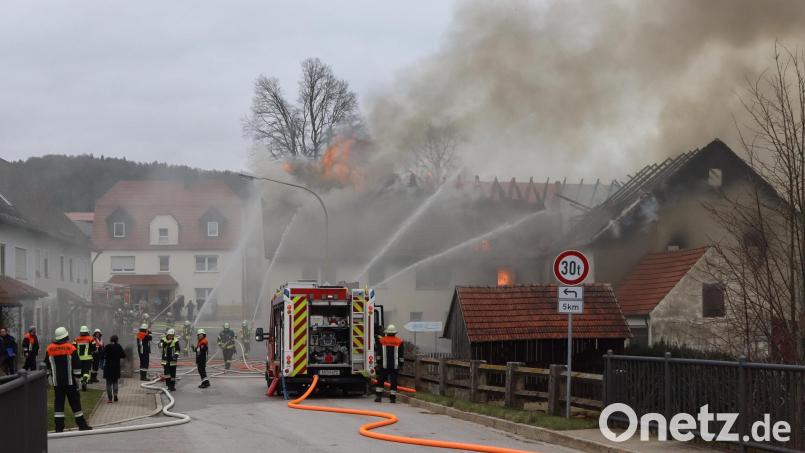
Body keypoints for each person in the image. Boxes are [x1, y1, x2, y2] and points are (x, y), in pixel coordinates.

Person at [45, 327, 92, 432]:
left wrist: (47, 378)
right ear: (66, 336)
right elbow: (77, 365)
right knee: (75, 403)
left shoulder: (49, 349)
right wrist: (78, 379)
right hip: (70, 382)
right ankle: (82, 425)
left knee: (59, 405)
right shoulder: (70, 348)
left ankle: (59, 427)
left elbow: (46, 365)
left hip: (57, 383)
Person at [375, 324, 405, 403]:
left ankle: (378, 396)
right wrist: (401, 364)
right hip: (394, 366)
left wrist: (378, 363)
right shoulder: (399, 341)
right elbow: (401, 355)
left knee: (381, 380)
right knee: (393, 381)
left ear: (387, 332)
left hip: (384, 365)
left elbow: (379, 354)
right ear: (395, 333)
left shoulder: (381, 341)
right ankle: (392, 398)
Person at [101, 335, 125, 403]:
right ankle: (115, 395)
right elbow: (123, 355)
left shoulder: (107, 346)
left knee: (108, 383)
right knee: (115, 381)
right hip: (116, 367)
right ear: (117, 340)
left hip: (108, 367)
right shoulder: (118, 346)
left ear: (110, 340)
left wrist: (106, 356)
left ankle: (110, 399)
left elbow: (102, 355)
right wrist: (118, 356)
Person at [73, 326, 96, 391]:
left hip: (78, 359)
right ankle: (84, 381)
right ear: (87, 332)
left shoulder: (76, 339)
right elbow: (94, 348)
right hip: (88, 358)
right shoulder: (91, 339)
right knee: (86, 371)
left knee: (79, 372)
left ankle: (79, 385)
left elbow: (73, 348)